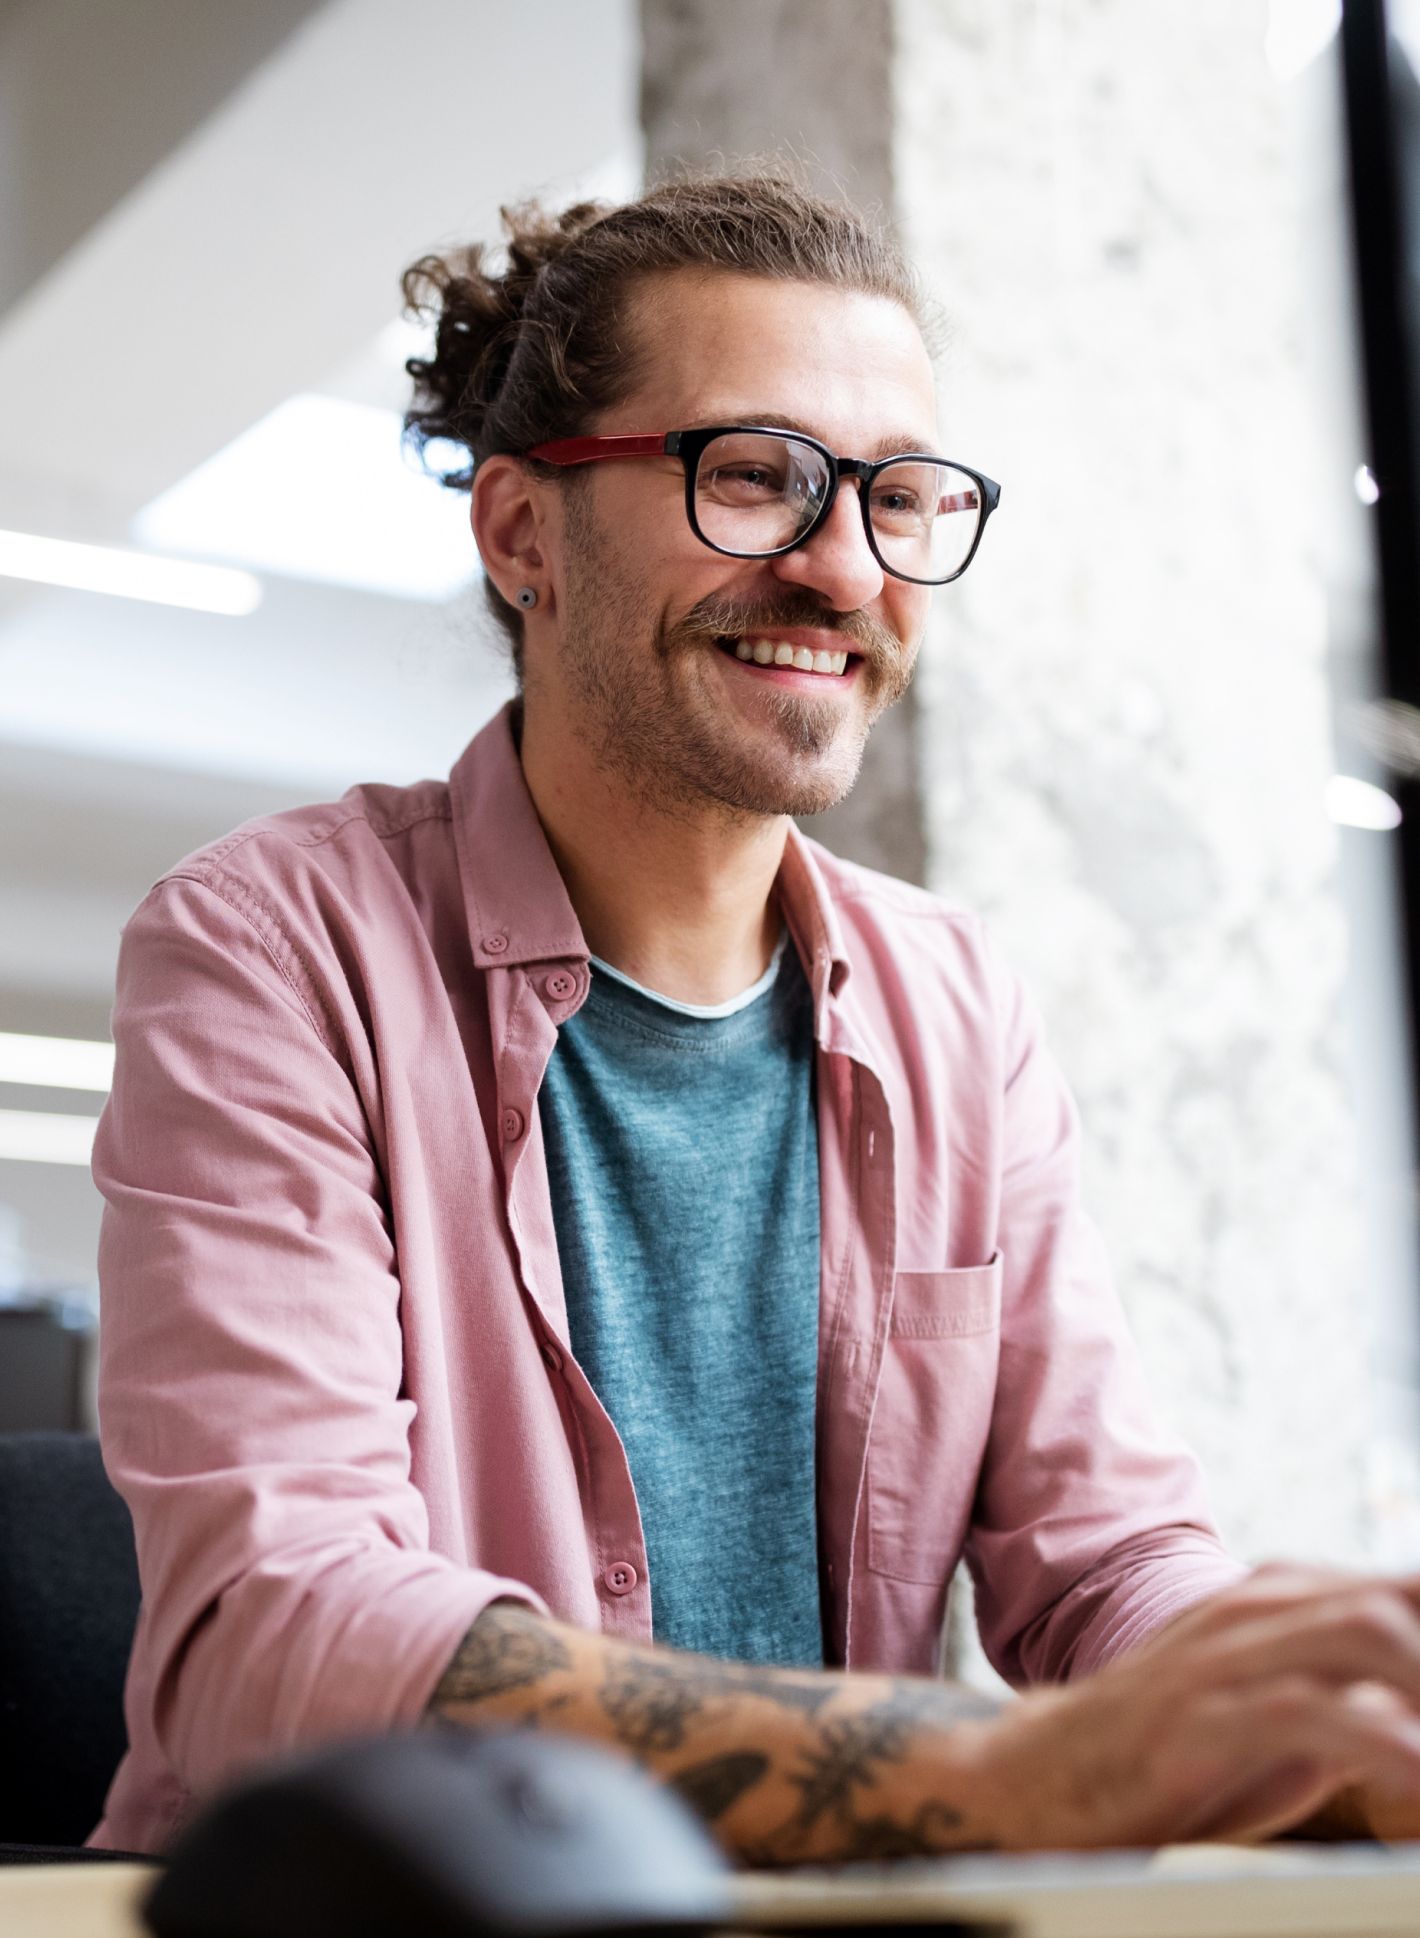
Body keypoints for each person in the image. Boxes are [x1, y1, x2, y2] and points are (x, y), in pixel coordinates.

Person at [90, 175, 1420, 1862]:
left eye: (902, 497)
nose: (843, 566)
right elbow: (276, 1630)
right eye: (756, 478)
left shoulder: (956, 1005)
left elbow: (1103, 1562)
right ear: (520, 534)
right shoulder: (274, 948)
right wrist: (1007, 1778)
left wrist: (1299, 1717)